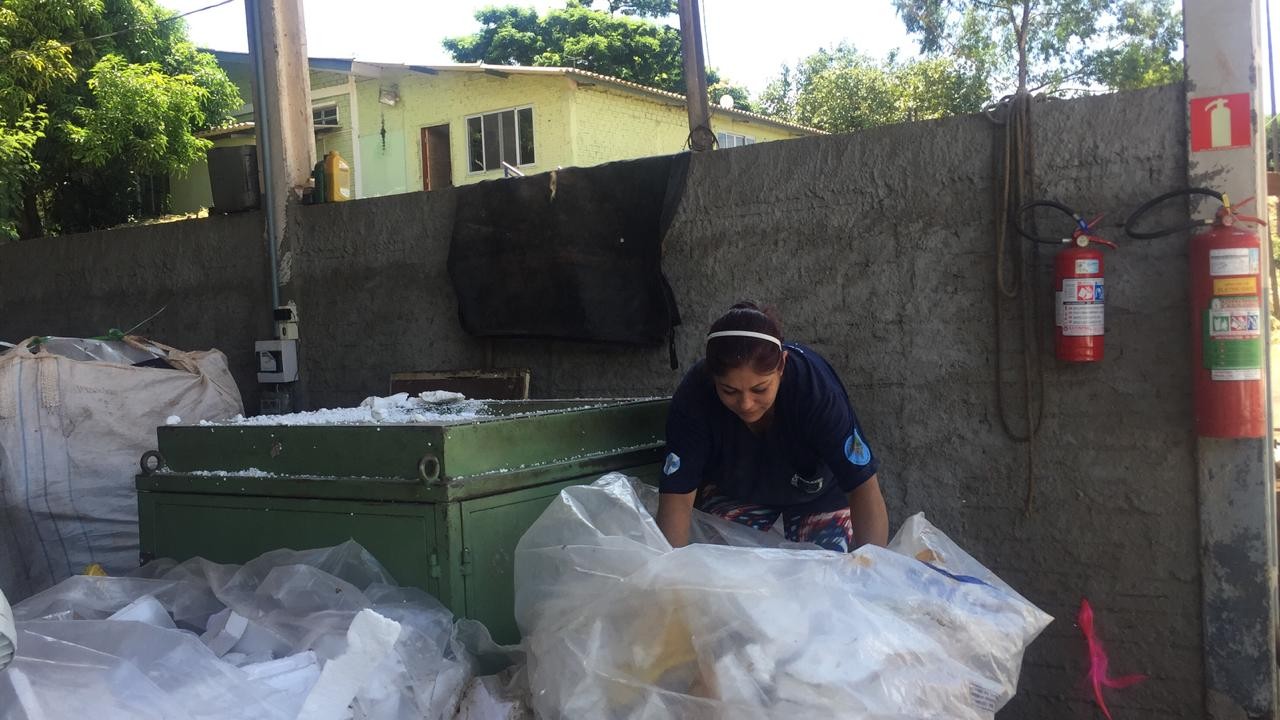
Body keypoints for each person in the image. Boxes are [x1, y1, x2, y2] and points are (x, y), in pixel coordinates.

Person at [656, 301, 888, 552]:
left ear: (782, 366)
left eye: (760, 389)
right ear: (711, 376)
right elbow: (678, 497)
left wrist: (870, 567)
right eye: (729, 391)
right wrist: (670, 569)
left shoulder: (815, 389)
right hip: (735, 497)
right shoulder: (695, 396)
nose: (746, 404)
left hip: (818, 499)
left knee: (822, 570)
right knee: (729, 569)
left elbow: (863, 487)